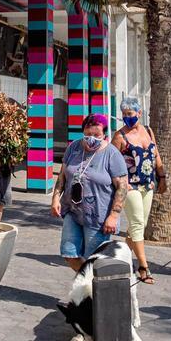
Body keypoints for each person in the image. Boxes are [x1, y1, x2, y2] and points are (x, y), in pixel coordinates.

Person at [52, 113, 129, 271]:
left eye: (96, 135)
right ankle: (88, 283)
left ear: (104, 135)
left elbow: (122, 187)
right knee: (69, 252)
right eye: (87, 134)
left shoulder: (112, 154)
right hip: (73, 211)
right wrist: (55, 198)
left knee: (93, 260)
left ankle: (94, 291)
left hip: (98, 217)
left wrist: (114, 216)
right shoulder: (73, 147)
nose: (91, 138)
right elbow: (62, 176)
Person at [112, 97, 167, 284]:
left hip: (148, 184)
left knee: (141, 225)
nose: (127, 117)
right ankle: (143, 267)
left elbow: (155, 154)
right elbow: (110, 162)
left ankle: (122, 257)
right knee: (136, 224)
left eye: (131, 114)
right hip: (130, 186)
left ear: (139, 113)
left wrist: (163, 176)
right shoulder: (119, 136)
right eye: (124, 114)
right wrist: (120, 182)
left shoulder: (148, 131)